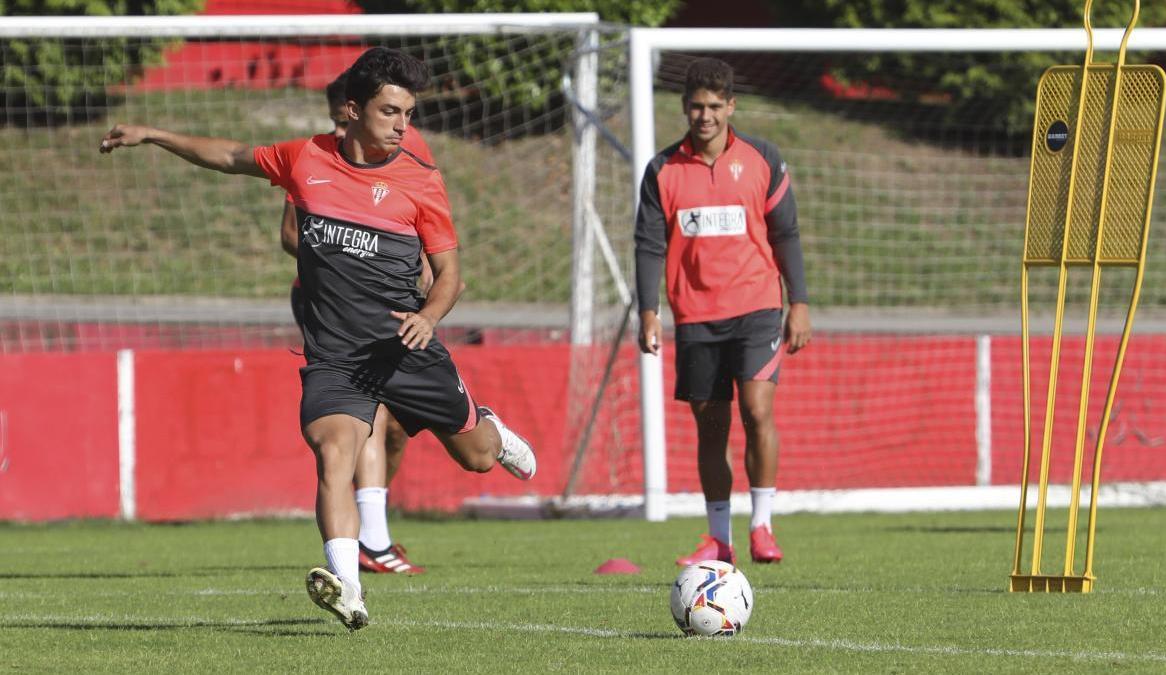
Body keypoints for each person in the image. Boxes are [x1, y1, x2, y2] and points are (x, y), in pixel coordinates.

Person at [100, 46, 537, 631]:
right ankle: (348, 588)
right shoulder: (303, 157)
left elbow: (451, 274)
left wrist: (429, 316)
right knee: (335, 455)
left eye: (408, 114)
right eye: (390, 112)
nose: (402, 126)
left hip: (405, 347)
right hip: (336, 355)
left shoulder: (421, 180)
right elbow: (230, 156)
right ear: (352, 111)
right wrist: (152, 133)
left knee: (478, 458)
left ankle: (489, 425)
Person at [278, 71, 460, 577]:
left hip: (397, 309)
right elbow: (292, 233)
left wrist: (399, 266)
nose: (339, 128)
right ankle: (372, 544)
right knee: (362, 423)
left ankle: (375, 536)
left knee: (402, 428)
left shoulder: (406, 150)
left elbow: (423, 230)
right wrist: (340, 251)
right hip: (329, 312)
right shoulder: (314, 162)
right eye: (335, 119)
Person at [634, 57, 811, 566]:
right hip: (694, 317)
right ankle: (718, 538)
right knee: (711, 428)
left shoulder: (762, 158)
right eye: (696, 105)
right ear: (684, 108)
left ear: (731, 106)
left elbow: (786, 234)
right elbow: (648, 244)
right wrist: (649, 311)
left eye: (714, 106)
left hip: (756, 307)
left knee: (757, 411)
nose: (705, 115)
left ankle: (762, 527)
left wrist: (798, 302)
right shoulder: (663, 170)